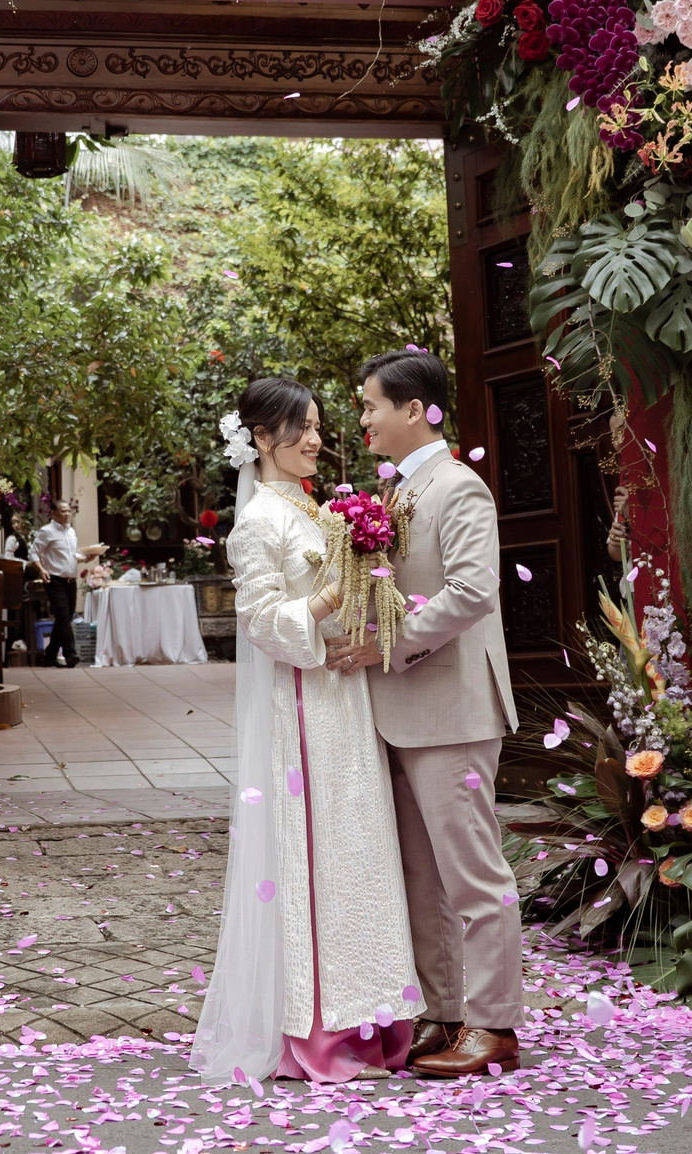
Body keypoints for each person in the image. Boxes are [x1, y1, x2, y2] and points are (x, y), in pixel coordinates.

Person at [192, 377, 419, 1085]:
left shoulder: (313, 507)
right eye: (300, 428)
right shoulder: (259, 521)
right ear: (261, 439)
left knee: (359, 854)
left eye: (319, 425)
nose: (316, 439)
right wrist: (330, 594)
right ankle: (321, 1031)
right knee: (320, 855)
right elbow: (262, 624)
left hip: (345, 701)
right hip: (302, 713)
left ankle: (373, 1014)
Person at [327, 348, 524, 1078]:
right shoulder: (394, 492)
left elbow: (473, 592)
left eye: (372, 404)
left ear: (416, 410)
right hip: (399, 711)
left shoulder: (458, 489)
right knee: (422, 878)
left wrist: (389, 642)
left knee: (473, 877)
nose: (364, 418)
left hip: (453, 710)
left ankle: (496, 1024)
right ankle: (442, 1016)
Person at [29, 506, 82, 667]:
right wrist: (41, 569)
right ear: (53, 513)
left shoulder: (71, 531)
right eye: (63, 511)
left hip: (70, 580)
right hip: (54, 580)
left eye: (68, 511)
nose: (67, 514)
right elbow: (33, 553)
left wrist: (86, 557)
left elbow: (71, 556)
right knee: (64, 615)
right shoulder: (47, 531)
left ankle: (50, 655)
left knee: (65, 617)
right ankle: (70, 654)